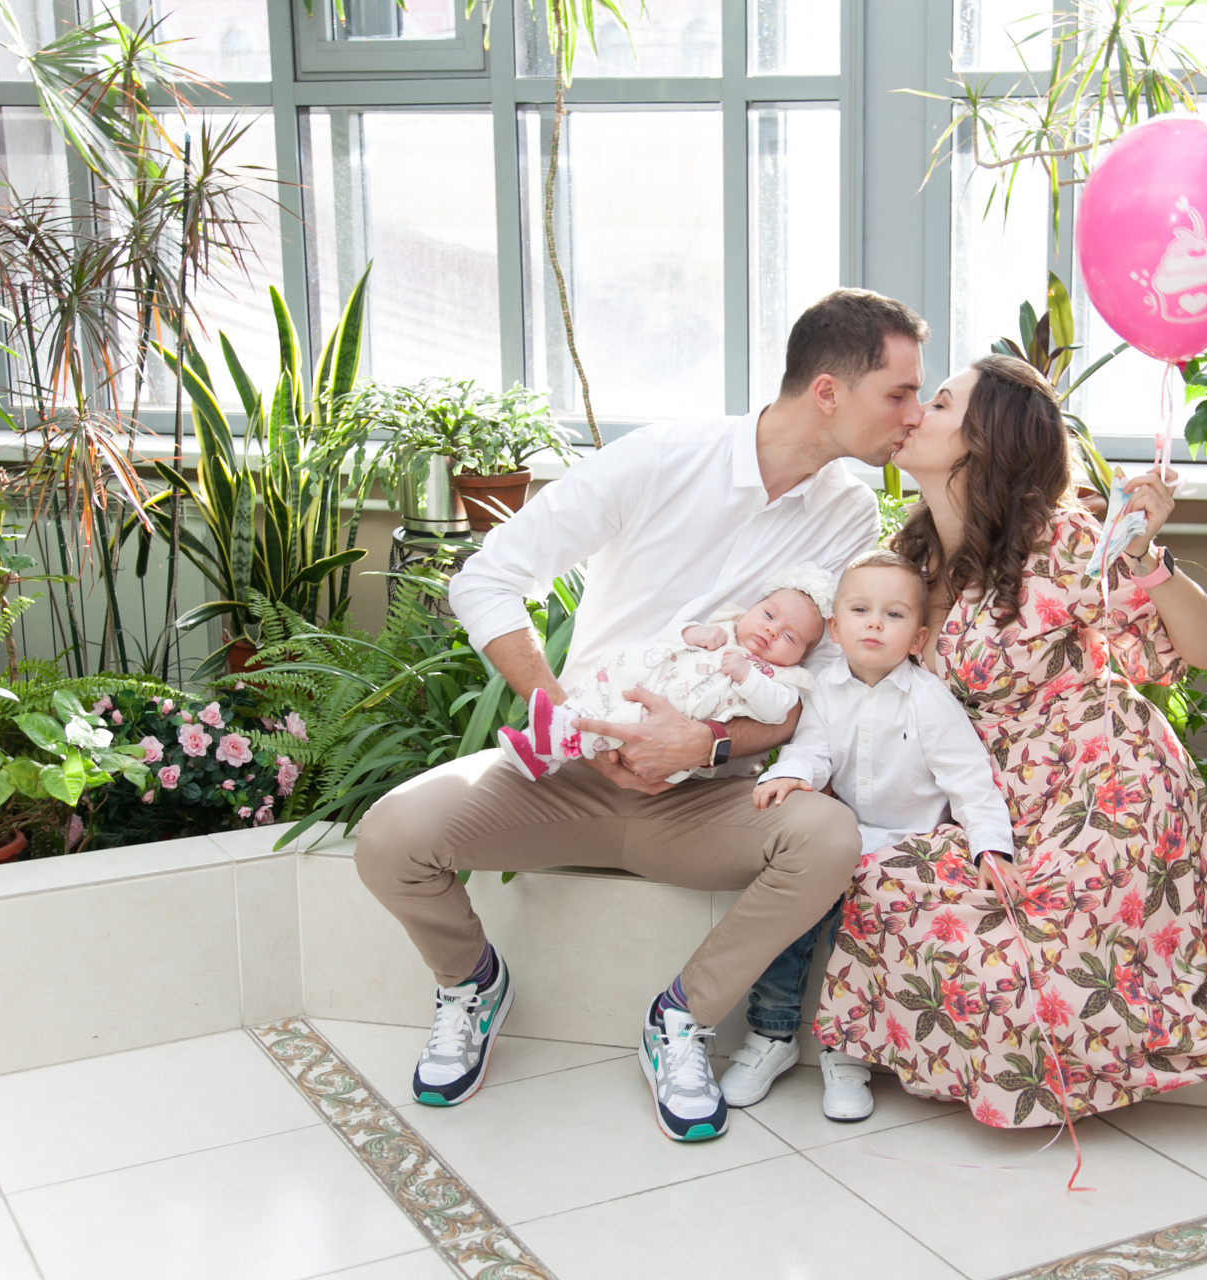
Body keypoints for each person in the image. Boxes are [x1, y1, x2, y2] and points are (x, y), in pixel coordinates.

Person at [352, 289, 927, 1143]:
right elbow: (486, 578)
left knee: (828, 839)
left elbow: (822, 690)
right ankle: (471, 983)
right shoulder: (662, 458)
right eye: (900, 393)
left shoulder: (847, 514)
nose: (914, 414)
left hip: (707, 801)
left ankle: (681, 1019)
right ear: (828, 392)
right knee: (390, 838)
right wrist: (564, 718)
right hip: (565, 779)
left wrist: (706, 742)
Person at [742, 354, 1207, 1139]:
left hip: (1104, 785)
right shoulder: (914, 559)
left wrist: (1145, 554)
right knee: (890, 884)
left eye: (939, 403)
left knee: (1075, 980)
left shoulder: (1061, 541)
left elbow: (1203, 653)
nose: (913, 413)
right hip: (991, 795)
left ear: (985, 440)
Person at [737, 550, 1016, 1121]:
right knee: (793, 896)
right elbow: (812, 749)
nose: (874, 624)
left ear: (917, 638)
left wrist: (991, 847)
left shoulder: (928, 699)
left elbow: (970, 781)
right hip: (848, 834)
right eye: (861, 610)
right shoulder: (824, 689)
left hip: (912, 845)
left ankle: (849, 1049)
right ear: (836, 629)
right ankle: (771, 1031)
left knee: (868, 910)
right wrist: (790, 774)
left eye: (894, 615)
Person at [497, 564, 835, 784]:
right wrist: (693, 633)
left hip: (674, 726)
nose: (772, 631)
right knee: (606, 688)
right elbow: (671, 638)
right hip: (648, 686)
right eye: (769, 615)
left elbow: (776, 712)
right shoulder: (724, 628)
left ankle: (552, 743)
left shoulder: (783, 679)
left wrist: (748, 676)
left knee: (622, 724)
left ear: (801, 658)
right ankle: (542, 744)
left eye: (789, 636)